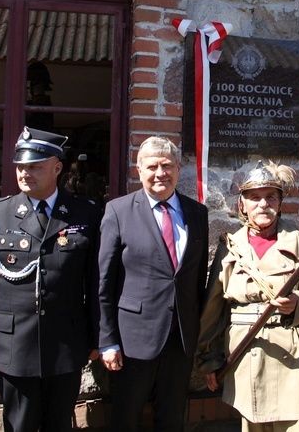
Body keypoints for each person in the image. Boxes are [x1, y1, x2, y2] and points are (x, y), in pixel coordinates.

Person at [0, 126, 101, 432]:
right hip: (14, 344)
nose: (25, 173)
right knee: (19, 425)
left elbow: (95, 284)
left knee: (59, 423)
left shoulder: (85, 213)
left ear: (57, 168)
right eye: (21, 167)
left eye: (35, 167)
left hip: (65, 343)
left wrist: (96, 338)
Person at [197, 160, 299, 432]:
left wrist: (298, 304)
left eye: (271, 197)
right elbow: (213, 307)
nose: (263, 204)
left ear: (280, 202)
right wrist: (209, 359)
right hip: (245, 353)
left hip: (290, 353)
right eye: (254, 198)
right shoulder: (231, 247)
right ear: (242, 205)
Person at [97, 136, 209, 432]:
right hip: (134, 338)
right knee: (126, 417)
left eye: (167, 166)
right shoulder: (118, 211)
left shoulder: (197, 213)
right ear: (139, 170)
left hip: (180, 337)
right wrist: (108, 340)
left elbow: (197, 279)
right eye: (152, 166)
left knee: (172, 417)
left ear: (179, 168)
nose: (161, 173)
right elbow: (105, 282)